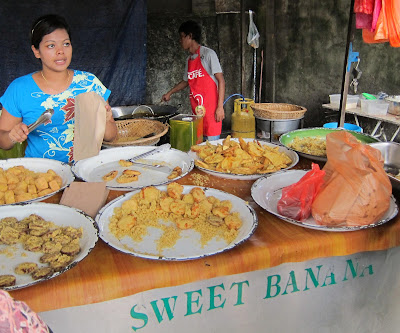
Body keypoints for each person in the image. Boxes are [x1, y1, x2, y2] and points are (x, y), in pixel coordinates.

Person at [0, 14, 117, 163]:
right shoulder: (19, 89)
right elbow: (2, 141)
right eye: (51, 45)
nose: (60, 51)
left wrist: (106, 121)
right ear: (36, 51)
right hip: (40, 174)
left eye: (66, 44)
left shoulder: (89, 83)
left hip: (85, 172)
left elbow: (111, 136)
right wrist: (11, 136)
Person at [162, 20, 225, 141]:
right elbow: (186, 81)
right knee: (199, 146)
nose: (180, 41)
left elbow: (221, 80)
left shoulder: (208, 54)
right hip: (197, 111)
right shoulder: (189, 60)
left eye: (182, 37)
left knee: (211, 149)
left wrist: (220, 107)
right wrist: (170, 93)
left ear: (190, 36)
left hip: (212, 112)